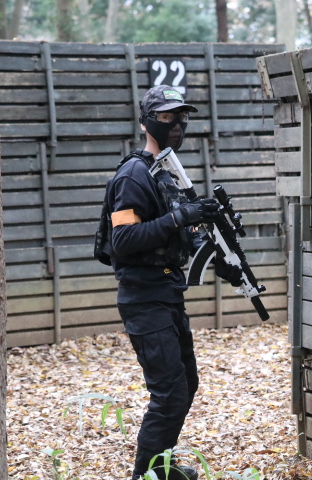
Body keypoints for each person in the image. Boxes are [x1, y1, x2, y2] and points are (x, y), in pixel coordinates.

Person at [101, 85, 243, 480]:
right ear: (146, 122)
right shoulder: (134, 175)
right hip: (144, 297)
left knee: (186, 384)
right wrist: (180, 217)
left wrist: (220, 259)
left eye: (181, 116)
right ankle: (146, 476)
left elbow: (183, 234)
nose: (176, 124)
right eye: (166, 117)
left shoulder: (166, 171)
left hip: (167, 292)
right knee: (169, 393)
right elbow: (123, 239)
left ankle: (161, 467)